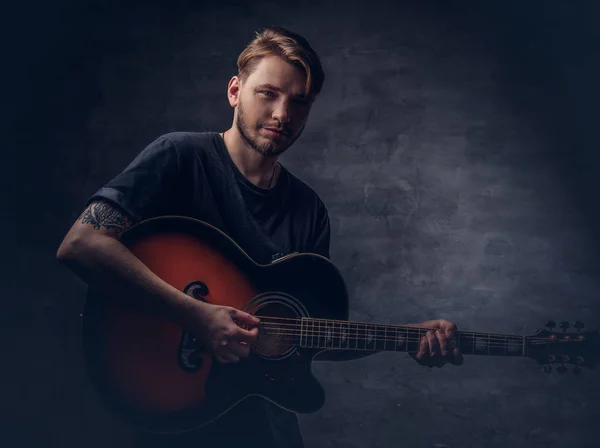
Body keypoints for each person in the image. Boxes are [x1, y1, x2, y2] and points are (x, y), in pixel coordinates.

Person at [57, 26, 463, 448]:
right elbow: (82, 245)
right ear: (235, 91)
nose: (283, 115)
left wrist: (408, 337)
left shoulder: (308, 209)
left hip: (263, 424)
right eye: (268, 93)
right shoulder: (178, 157)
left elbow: (307, 335)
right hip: (174, 404)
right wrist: (194, 315)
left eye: (299, 102)